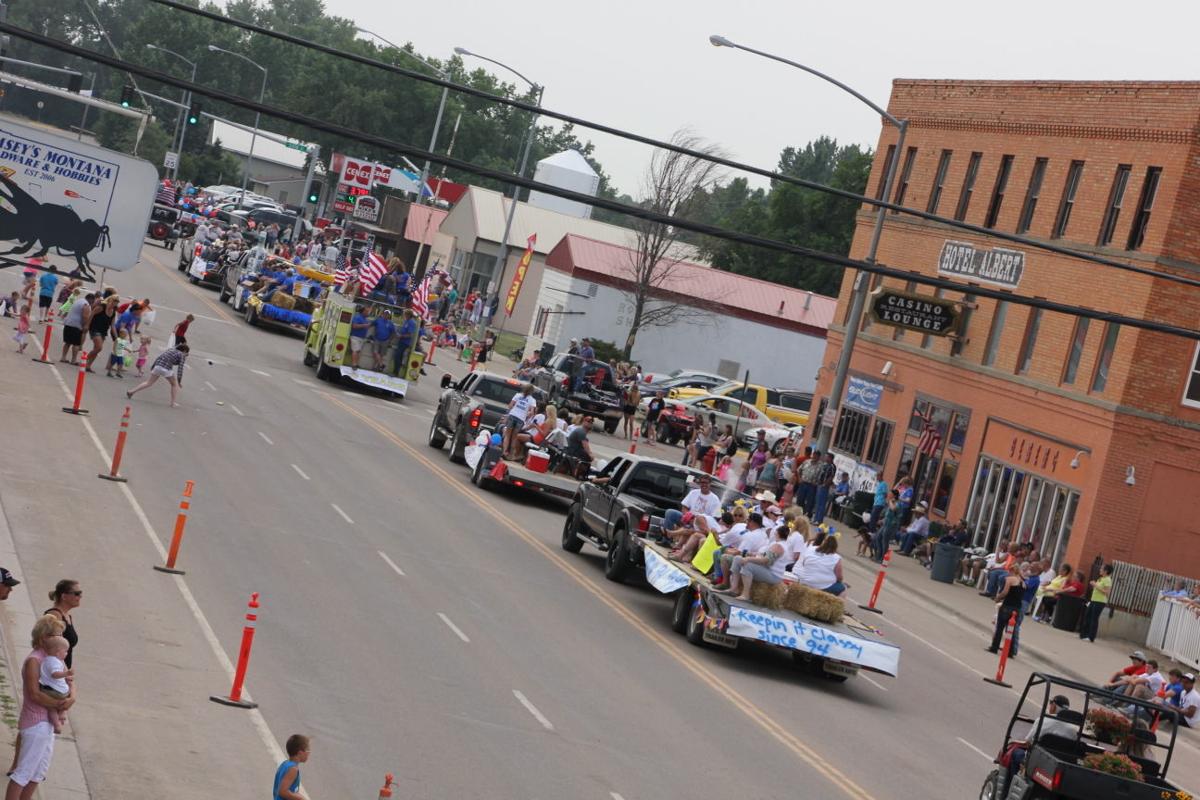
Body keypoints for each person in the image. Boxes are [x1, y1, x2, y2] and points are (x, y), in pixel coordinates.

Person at [7, 614, 72, 799]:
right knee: (23, 773)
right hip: (36, 723)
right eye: (57, 635)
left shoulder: (54, 657)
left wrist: (72, 698)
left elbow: (69, 680)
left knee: (38, 773)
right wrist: (60, 703)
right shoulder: (35, 660)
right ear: (44, 638)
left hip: (47, 724)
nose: (61, 639)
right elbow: (35, 694)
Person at [720, 523, 789, 601]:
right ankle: (734, 588)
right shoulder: (779, 545)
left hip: (773, 575)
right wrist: (750, 554)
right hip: (768, 570)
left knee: (748, 566)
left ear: (776, 533)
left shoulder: (778, 546)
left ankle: (745, 594)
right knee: (737, 559)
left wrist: (748, 559)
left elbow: (766, 561)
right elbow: (763, 555)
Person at [126, 343, 189, 408]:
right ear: (184, 351)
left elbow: (160, 357)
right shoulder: (181, 355)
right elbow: (180, 369)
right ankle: (172, 403)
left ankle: (131, 391)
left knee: (148, 383)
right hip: (166, 369)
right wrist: (179, 381)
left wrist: (153, 366)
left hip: (158, 366)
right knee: (174, 384)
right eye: (186, 353)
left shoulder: (170, 350)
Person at [987, 563, 1026, 657]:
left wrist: (998, 598)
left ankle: (994, 647)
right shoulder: (1023, 583)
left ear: (1012, 571)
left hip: (1007, 606)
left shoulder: (1009, 579)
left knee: (1000, 628)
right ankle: (1010, 651)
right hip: (1017, 608)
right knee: (1010, 630)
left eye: (1009, 571)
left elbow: (1005, 592)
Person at [37, 637, 72, 734]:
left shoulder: (46, 660)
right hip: (56, 691)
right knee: (67, 693)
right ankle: (62, 712)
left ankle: (57, 724)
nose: (67, 653)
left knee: (51, 708)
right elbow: (55, 674)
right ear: (58, 652)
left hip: (48, 690)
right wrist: (66, 674)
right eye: (65, 651)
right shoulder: (54, 662)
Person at [44, 580, 81, 669]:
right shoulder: (55, 615)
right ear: (64, 596)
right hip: (54, 670)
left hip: (60, 670)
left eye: (80, 593)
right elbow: (52, 647)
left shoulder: (67, 616)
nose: (80, 596)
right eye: (77, 593)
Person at [502, 384, 537, 461]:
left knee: (507, 435)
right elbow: (532, 413)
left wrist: (513, 410)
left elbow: (510, 405)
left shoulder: (517, 395)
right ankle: (511, 455)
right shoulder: (532, 400)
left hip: (512, 415)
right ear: (532, 392)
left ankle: (504, 452)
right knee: (514, 437)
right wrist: (526, 416)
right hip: (521, 419)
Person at [1080, 563, 1113, 643]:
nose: (1100, 570)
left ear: (1106, 571)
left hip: (1100, 602)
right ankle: (1084, 635)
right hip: (1093, 600)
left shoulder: (1108, 580)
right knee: (1088, 616)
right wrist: (1095, 585)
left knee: (1094, 618)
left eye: (1102, 569)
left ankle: (1091, 637)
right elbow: (1098, 588)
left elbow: (1107, 592)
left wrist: (1095, 585)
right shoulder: (1101, 579)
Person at [273, 734, 310, 800]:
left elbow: (290, 790)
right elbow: (282, 792)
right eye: (308, 750)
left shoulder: (285, 764)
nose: (309, 753)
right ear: (300, 753)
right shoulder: (293, 769)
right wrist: (300, 798)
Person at [59, 291, 92, 364]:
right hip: (76, 325)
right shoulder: (86, 304)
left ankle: (63, 357)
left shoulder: (79, 301)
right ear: (90, 299)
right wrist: (84, 326)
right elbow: (85, 317)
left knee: (67, 342)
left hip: (68, 323)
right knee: (76, 344)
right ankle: (73, 360)